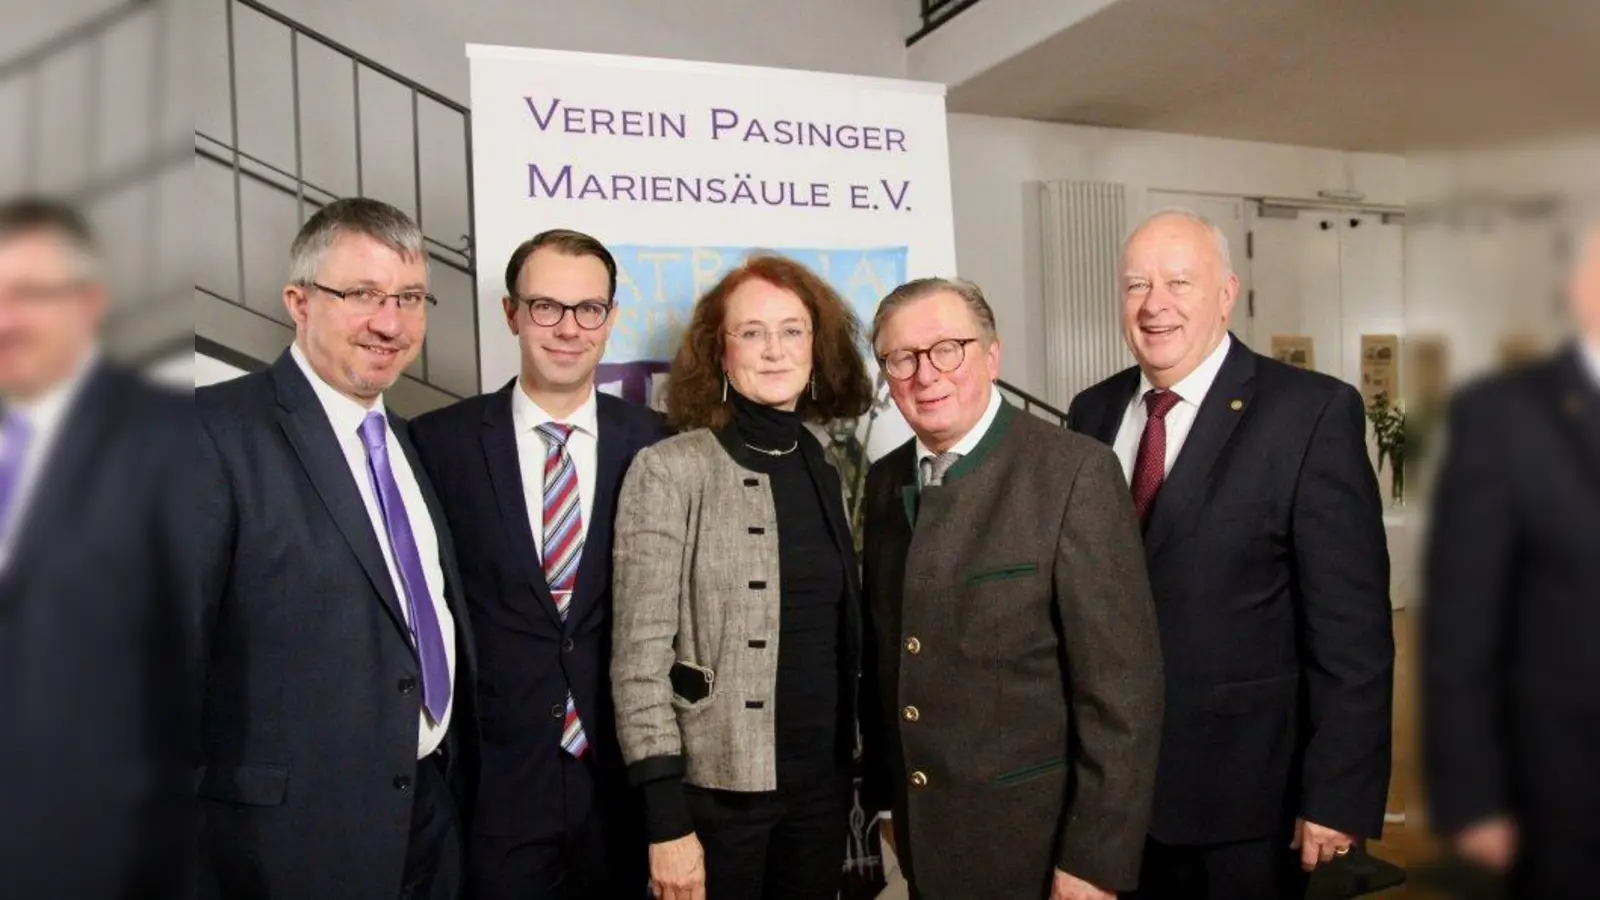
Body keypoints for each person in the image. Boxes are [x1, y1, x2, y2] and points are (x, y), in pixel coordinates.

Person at [1066, 208, 1395, 899]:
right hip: (1106, 798)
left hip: (1244, 800)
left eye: (1179, 282)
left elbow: (1352, 630)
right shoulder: (1091, 414)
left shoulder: (1308, 415)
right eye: (1136, 286)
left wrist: (1337, 792)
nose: (1155, 305)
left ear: (1226, 293)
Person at [195, 198, 478, 899]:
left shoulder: (411, 445)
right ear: (299, 301)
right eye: (362, 295)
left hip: (425, 820)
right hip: (285, 846)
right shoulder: (210, 433)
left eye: (410, 298)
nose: (391, 323)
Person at [859, 276, 1164, 900]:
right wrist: (890, 807)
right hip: (924, 842)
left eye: (949, 348)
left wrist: (1094, 862)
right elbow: (890, 654)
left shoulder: (1074, 473)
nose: (926, 374)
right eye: (902, 358)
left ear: (992, 355)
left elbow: (1122, 694)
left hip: (1036, 849)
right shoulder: (886, 482)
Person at [409, 229, 665, 898]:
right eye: (546, 306)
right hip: (496, 785)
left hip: (622, 782)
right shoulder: (438, 443)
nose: (568, 328)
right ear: (511, 313)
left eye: (588, 309)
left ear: (610, 319)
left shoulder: (662, 447)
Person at [611, 254, 875, 900]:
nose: (775, 350)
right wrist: (666, 821)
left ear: (818, 345)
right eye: (751, 332)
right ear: (719, 351)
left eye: (793, 330)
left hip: (822, 789)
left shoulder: (825, 462)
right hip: (716, 796)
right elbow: (639, 658)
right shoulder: (671, 469)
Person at [0, 196, 191, 900]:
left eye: (28, 296)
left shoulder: (167, 441)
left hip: (106, 861)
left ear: (88, 303)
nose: (5, 320)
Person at [1422, 222, 1600, 899]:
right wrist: (1472, 796)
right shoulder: (1502, 416)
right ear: (1574, 289)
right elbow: (1463, 624)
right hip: (1565, 796)